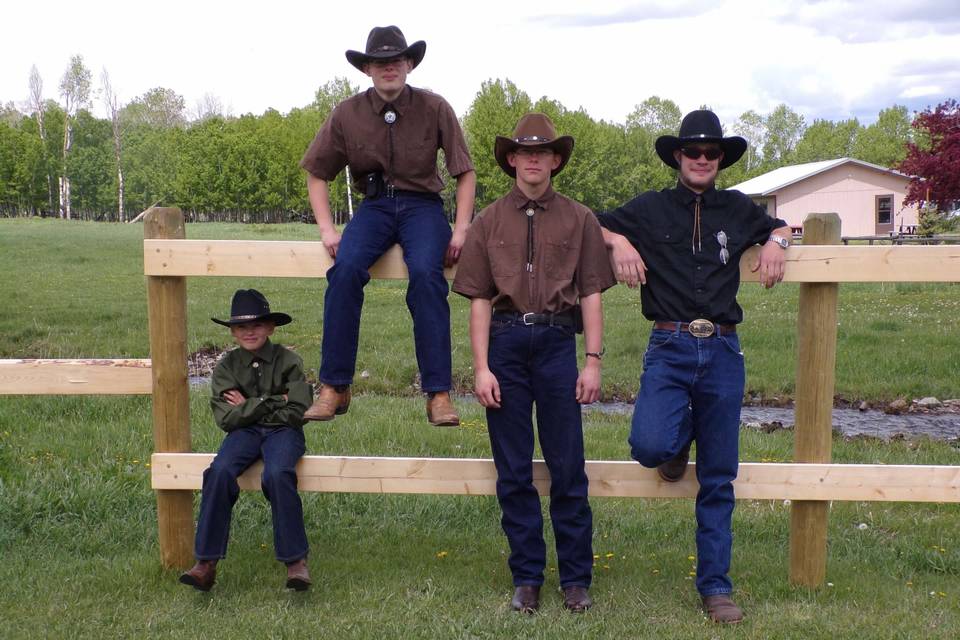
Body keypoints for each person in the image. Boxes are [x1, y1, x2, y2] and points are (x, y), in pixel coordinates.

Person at [596, 109, 792, 623]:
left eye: (711, 153)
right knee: (650, 445)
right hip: (669, 344)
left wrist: (777, 242)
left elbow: (780, 222)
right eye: (693, 152)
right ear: (678, 157)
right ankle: (675, 444)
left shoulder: (737, 208)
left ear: (720, 160)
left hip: (724, 349)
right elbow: (586, 222)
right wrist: (617, 242)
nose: (702, 159)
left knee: (719, 475)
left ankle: (716, 587)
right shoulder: (650, 209)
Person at [453, 113, 616, 613]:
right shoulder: (489, 221)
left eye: (542, 152)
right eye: (524, 153)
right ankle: (526, 577)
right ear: (511, 160)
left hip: (555, 345)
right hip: (505, 345)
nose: (533, 161)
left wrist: (591, 360)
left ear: (555, 160)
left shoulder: (579, 218)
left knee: (568, 464)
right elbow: (478, 298)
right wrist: (481, 368)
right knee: (514, 469)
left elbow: (590, 292)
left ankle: (575, 579)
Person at [299, 25, 476, 426]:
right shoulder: (346, 113)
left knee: (429, 277)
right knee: (343, 271)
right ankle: (334, 386)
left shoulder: (435, 108)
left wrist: (462, 228)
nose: (389, 68)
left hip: (423, 208)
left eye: (396, 60)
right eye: (379, 63)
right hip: (374, 208)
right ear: (367, 70)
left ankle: (439, 394)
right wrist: (327, 229)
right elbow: (316, 172)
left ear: (409, 63)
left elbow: (464, 172)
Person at [179, 289, 314, 592]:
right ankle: (205, 563)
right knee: (219, 472)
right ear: (232, 332)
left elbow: (298, 412)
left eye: (256, 325)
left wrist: (249, 405)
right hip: (244, 434)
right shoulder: (227, 367)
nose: (249, 331)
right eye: (241, 326)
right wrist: (274, 400)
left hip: (285, 434)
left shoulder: (289, 360)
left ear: (270, 327)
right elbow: (227, 420)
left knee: (278, 473)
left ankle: (296, 563)